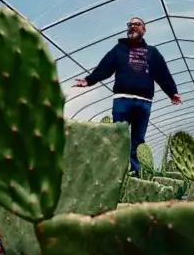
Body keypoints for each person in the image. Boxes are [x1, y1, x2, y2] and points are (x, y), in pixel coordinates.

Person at [73, 17, 182, 177]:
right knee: (117, 136)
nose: (132, 27)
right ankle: (115, 172)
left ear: (144, 30)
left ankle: (136, 173)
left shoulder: (153, 52)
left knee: (138, 140)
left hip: (144, 103)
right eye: (130, 25)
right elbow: (104, 68)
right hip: (122, 100)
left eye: (137, 24)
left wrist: (171, 91)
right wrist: (89, 80)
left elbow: (162, 74)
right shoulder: (119, 49)